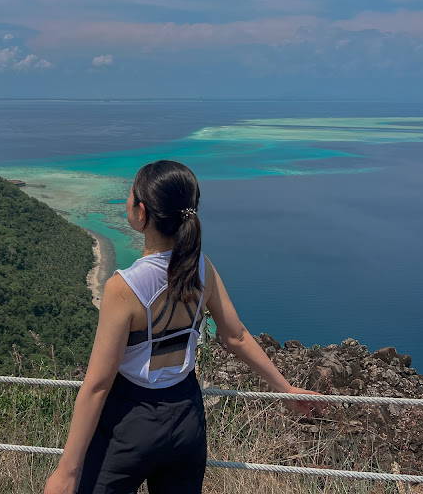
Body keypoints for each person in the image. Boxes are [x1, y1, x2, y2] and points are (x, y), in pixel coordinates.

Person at [44, 160, 322, 494]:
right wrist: (285, 389)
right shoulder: (202, 268)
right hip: (186, 417)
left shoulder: (124, 288)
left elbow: (98, 385)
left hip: (130, 419)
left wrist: (66, 472)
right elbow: (236, 336)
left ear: (142, 213)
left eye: (130, 195)